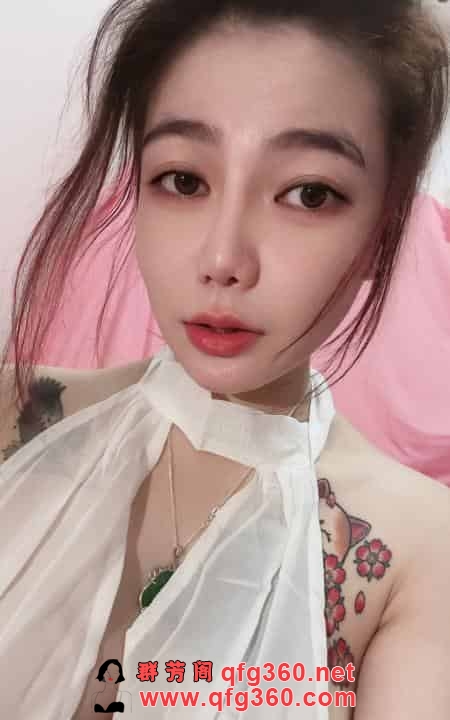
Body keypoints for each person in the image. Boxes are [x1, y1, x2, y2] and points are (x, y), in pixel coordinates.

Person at [0, 1, 449, 718]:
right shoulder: (16, 416)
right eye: (184, 180)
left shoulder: (423, 557)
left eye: (308, 193)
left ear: (383, 230)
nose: (222, 258)